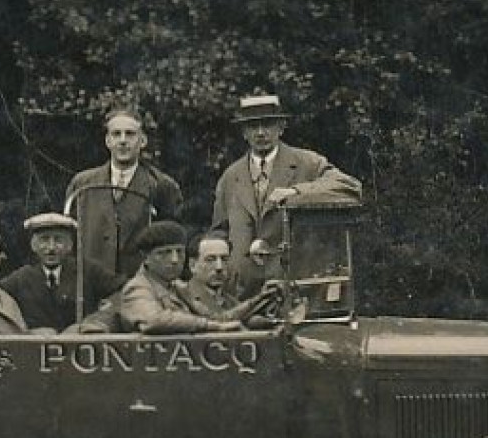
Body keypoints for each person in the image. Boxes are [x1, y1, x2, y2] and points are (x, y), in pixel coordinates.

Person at [211, 94, 362, 297]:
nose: (260, 133)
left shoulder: (308, 164)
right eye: (253, 126)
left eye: (268, 125)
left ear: (281, 128)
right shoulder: (230, 177)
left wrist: (296, 192)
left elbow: (350, 187)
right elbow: (218, 232)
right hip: (242, 295)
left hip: (295, 287)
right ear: (244, 133)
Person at [64, 108, 183, 280]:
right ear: (108, 141)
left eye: (130, 134)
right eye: (116, 134)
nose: (123, 141)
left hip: (140, 288)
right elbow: (69, 241)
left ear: (142, 141)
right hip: (90, 287)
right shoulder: (83, 185)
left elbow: (171, 244)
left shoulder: (161, 186)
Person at [0, 212, 123, 333]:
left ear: (69, 245)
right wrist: (25, 331)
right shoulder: (21, 278)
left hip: (83, 347)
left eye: (58, 240)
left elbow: (123, 293)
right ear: (33, 245)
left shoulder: (87, 270)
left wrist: (95, 321)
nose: (51, 248)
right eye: (44, 240)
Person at [116, 221, 245, 334]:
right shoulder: (138, 288)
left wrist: (258, 301)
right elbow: (155, 320)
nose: (175, 260)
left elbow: (215, 316)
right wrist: (209, 326)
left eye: (179, 252)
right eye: (165, 253)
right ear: (146, 257)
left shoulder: (177, 287)